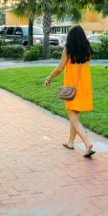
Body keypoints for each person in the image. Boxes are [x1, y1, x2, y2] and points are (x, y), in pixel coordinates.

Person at [43, 24, 95, 158]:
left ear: (70, 36)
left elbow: (60, 68)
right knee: (75, 117)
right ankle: (70, 142)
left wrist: (49, 77)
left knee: (73, 118)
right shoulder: (87, 49)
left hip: (71, 89)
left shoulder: (68, 49)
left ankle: (87, 143)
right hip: (84, 87)